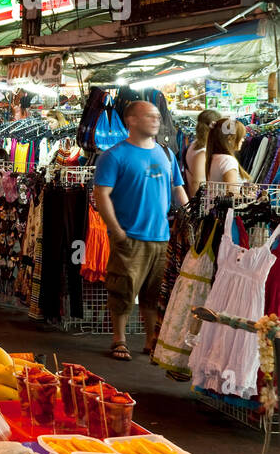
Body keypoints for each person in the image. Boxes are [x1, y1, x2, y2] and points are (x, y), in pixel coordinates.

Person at [94, 101, 189, 362]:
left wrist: (190, 215)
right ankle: (119, 339)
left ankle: (150, 340)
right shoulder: (114, 156)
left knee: (153, 291)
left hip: (161, 236)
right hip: (129, 235)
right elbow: (101, 194)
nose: (156, 120)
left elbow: (177, 188)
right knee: (123, 289)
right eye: (149, 116)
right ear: (132, 120)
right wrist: (115, 229)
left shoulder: (166, 154)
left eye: (157, 116)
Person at [184, 109, 221, 197]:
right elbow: (196, 183)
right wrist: (196, 207)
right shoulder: (202, 152)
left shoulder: (195, 145)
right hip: (202, 203)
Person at [205, 117, 248, 192]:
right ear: (230, 139)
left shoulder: (215, 157)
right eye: (241, 137)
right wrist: (246, 196)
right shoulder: (228, 160)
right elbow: (230, 195)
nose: (243, 140)